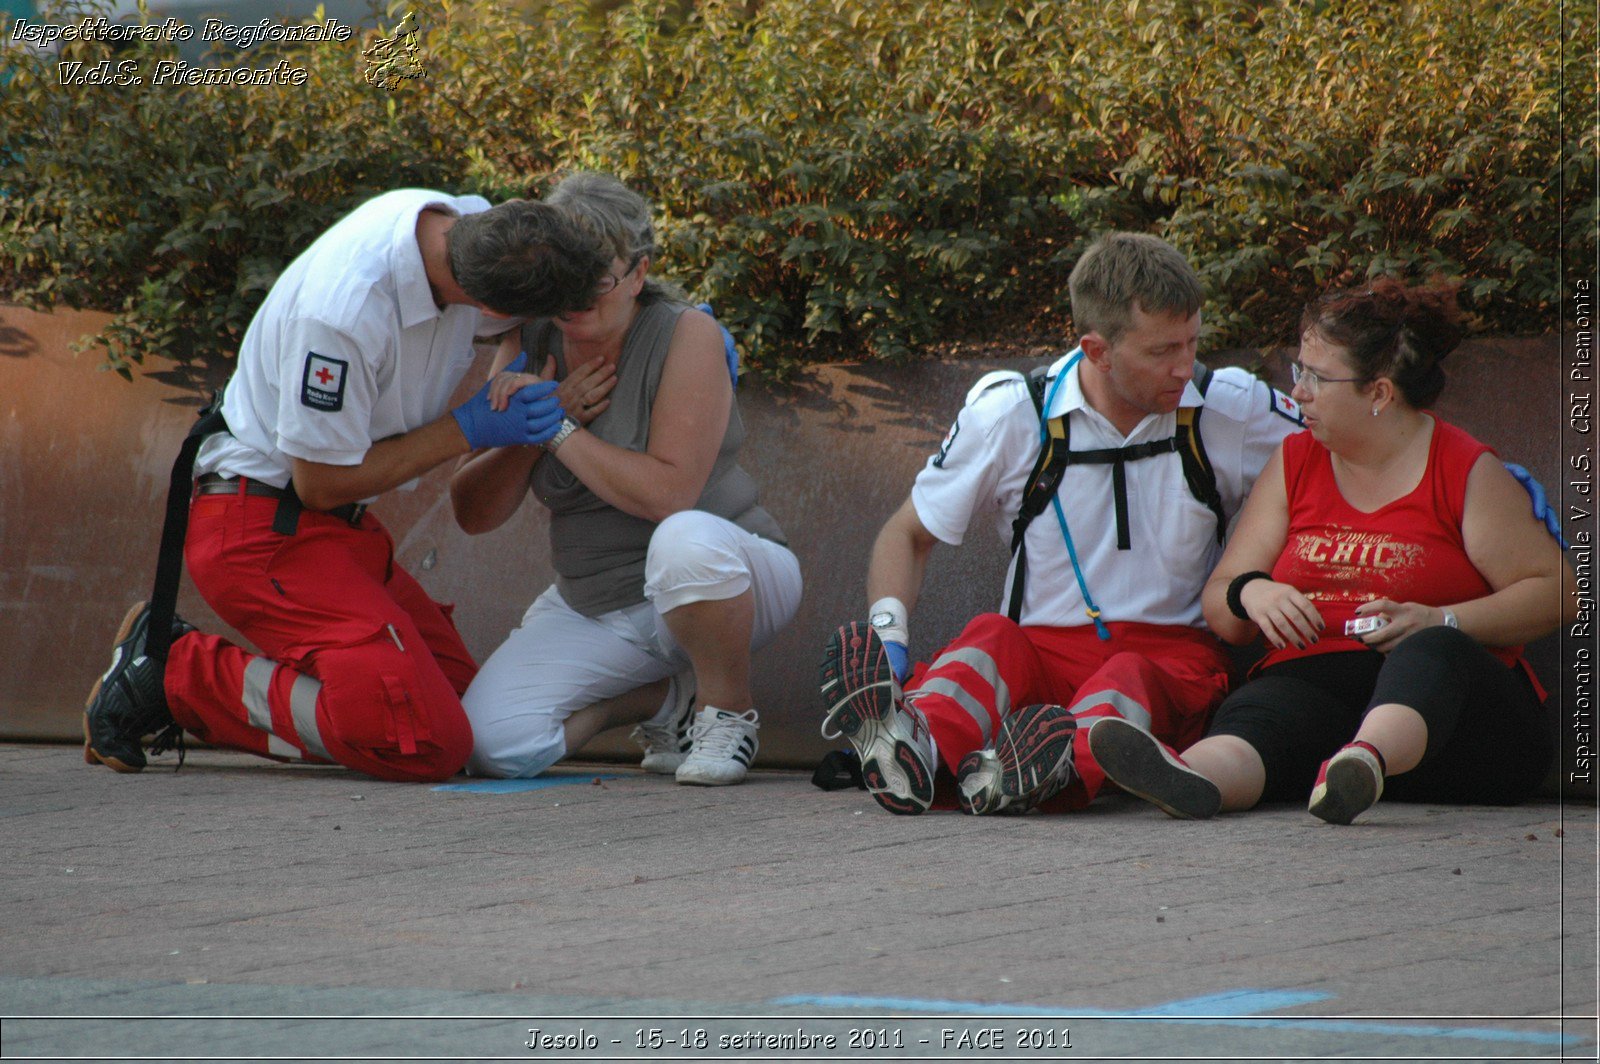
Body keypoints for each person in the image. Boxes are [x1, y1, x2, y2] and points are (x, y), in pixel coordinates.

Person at [82, 190, 610, 782]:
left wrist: (676, 332)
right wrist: (468, 427)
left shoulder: (467, 225)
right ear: (484, 301)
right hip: (260, 529)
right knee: (428, 742)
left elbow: (528, 318)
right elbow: (321, 485)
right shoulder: (342, 313)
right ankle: (179, 672)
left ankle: (325, 681)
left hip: (340, 534)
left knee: (475, 722)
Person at [818, 231, 1307, 815]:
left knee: (1129, 676)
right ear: (1096, 350)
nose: (1185, 366)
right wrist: (890, 638)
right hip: (1040, 650)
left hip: (1173, 658)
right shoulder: (1010, 413)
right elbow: (908, 532)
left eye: (1193, 342)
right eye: (1161, 352)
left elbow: (1336, 460)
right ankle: (914, 739)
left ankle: (1040, 764)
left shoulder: (1233, 408)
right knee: (989, 639)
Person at [1086, 280, 1575, 824]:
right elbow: (1223, 605)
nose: (1298, 394)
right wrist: (1254, 591)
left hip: (1462, 735)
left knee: (1432, 651)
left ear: (1380, 394)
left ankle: (1366, 761)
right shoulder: (1295, 462)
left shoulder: (1461, 467)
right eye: (1299, 372)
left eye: (1317, 378)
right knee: (1265, 706)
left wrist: (1441, 618)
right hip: (1320, 704)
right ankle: (1194, 777)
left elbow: (1557, 592)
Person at [450, 172, 802, 786]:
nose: (578, 294)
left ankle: (727, 714)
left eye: (600, 277)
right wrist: (529, 428)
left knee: (684, 541)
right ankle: (663, 699)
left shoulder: (684, 331)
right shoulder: (528, 339)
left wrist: (558, 429)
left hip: (727, 576)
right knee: (492, 744)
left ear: (638, 273)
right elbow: (473, 513)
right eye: (564, 272)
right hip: (596, 602)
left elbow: (668, 496)